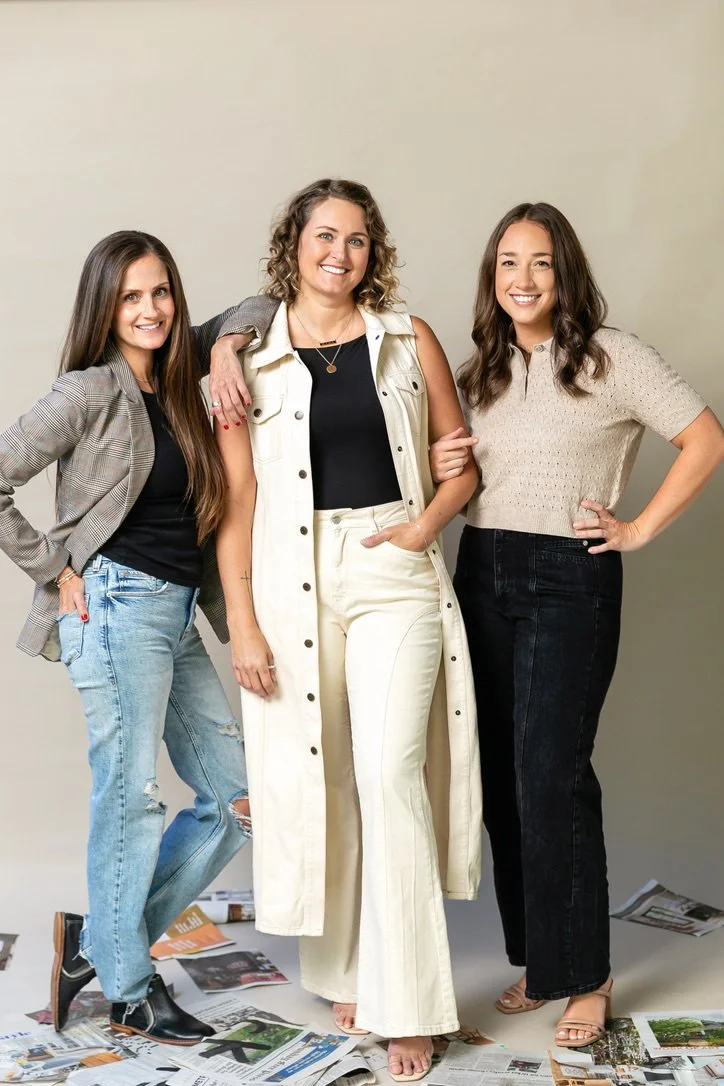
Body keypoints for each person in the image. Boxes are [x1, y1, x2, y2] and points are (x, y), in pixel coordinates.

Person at [428, 202, 724, 1047]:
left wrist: (634, 530)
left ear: (566, 275)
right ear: (492, 277)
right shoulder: (475, 369)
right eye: (508, 263)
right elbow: (429, 463)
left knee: (551, 775)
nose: (523, 280)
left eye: (542, 264)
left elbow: (705, 440)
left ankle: (587, 974)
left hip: (569, 578)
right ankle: (543, 961)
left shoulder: (611, 357)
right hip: (480, 570)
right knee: (498, 781)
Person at [212, 179, 482, 1082]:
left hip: (391, 564)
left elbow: (461, 461)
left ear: (375, 252)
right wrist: (242, 622)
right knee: (321, 771)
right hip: (291, 583)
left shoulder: (408, 339)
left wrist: (419, 527)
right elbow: (237, 504)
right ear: (293, 244)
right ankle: (343, 970)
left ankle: (410, 1004)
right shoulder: (250, 359)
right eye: (325, 236)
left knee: (388, 771)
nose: (342, 253)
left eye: (359, 240)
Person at [0, 230, 275, 1044]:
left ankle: (97, 943)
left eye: (160, 292)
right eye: (131, 297)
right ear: (105, 308)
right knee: (131, 800)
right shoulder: (89, 391)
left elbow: (265, 303)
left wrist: (223, 349)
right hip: (114, 606)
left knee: (232, 803)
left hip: (177, 609)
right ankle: (127, 988)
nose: (149, 309)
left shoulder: (185, 365)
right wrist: (53, 567)